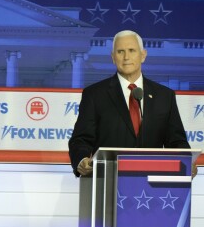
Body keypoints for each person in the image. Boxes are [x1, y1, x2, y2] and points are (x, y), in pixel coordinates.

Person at [68, 29, 194, 176]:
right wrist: (81, 160)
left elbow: (177, 142)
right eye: (120, 51)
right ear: (113, 57)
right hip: (107, 181)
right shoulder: (95, 94)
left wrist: (188, 161)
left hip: (152, 185)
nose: (126, 57)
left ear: (143, 55)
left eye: (132, 50)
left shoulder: (164, 96)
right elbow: (80, 139)